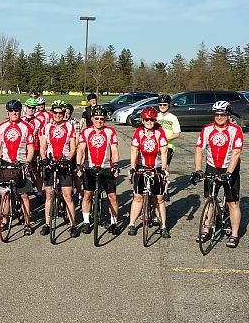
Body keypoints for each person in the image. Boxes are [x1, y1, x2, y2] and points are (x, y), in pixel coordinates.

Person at [192, 101, 244, 248]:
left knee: (233, 203)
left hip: (230, 168)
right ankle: (206, 228)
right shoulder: (207, 129)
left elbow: (236, 153)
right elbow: (199, 150)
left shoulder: (235, 130)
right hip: (212, 167)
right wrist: (198, 170)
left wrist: (228, 173)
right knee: (209, 199)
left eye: (222, 114)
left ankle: (234, 234)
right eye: (217, 114)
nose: (219, 117)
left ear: (228, 115)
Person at [0, 99, 36, 234]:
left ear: (20, 111)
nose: (14, 113)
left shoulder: (26, 126)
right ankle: (5, 221)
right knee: (5, 193)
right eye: (11, 111)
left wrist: (27, 162)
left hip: (21, 162)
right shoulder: (2, 126)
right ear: (8, 112)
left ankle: (27, 223)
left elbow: (31, 147)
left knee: (23, 195)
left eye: (16, 110)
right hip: (6, 162)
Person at [77, 106, 121, 234]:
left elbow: (114, 149)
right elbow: (81, 149)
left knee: (112, 196)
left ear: (105, 119)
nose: (99, 121)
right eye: (96, 118)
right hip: (89, 166)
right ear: (92, 119)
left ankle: (114, 223)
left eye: (102, 118)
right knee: (87, 194)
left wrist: (116, 164)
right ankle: (86, 222)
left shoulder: (110, 131)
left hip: (106, 167)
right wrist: (79, 165)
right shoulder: (86, 131)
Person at [128, 107, 170, 238]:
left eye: (151, 119)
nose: (149, 122)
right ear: (142, 120)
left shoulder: (160, 132)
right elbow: (134, 151)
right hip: (141, 166)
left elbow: (164, 153)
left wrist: (163, 169)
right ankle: (132, 224)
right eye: (146, 119)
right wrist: (132, 167)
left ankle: (163, 226)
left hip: (156, 167)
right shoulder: (139, 132)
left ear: (155, 120)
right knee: (138, 197)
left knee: (159, 198)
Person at [39, 101, 78, 237]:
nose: (57, 115)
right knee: (49, 195)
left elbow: (73, 147)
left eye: (60, 113)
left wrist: (69, 159)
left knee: (68, 195)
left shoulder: (69, 127)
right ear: (52, 113)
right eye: (55, 113)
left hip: (64, 163)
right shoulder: (47, 127)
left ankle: (73, 225)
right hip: (50, 163)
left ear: (64, 113)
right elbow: (43, 146)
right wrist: (44, 159)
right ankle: (47, 224)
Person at [22, 98, 44, 202]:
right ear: (25, 107)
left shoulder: (39, 121)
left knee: (35, 171)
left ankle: (39, 192)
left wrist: (41, 151)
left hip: (34, 148)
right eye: (29, 107)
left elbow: (41, 137)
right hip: (22, 149)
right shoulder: (21, 119)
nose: (31, 109)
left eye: (33, 108)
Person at [155, 94, 181, 171]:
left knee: (165, 165)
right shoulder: (155, 116)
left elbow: (177, 134)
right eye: (160, 105)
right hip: (155, 144)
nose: (162, 106)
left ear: (169, 105)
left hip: (168, 145)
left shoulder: (173, 118)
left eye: (165, 105)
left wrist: (164, 139)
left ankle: (165, 181)